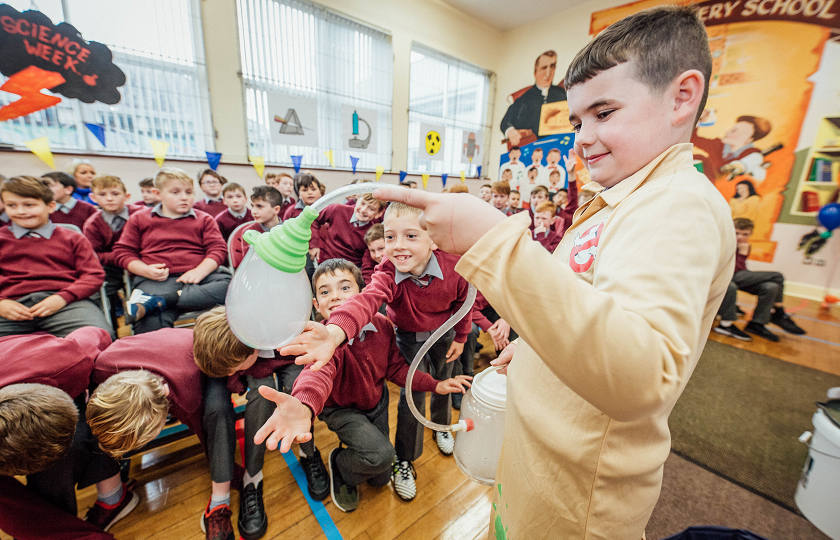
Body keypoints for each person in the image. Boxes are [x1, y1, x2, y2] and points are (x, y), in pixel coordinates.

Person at [366, 6, 737, 538]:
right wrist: (538, 345)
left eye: (604, 113)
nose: (583, 138)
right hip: (539, 461)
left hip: (578, 492)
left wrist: (494, 241)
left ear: (682, 97)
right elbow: (591, 310)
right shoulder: (621, 197)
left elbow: (640, 374)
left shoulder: (676, 206)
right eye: (578, 120)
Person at [280, 203, 471, 502]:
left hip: (444, 334)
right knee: (411, 397)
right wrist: (334, 333)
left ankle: (441, 427)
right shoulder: (387, 272)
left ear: (433, 239)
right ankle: (405, 459)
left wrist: (460, 335)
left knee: (443, 380)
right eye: (390, 237)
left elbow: (464, 300)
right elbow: (365, 302)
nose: (397, 246)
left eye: (410, 236)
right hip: (408, 337)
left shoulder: (454, 265)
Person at [86, 327, 240, 540]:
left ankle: (219, 503)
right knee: (103, 421)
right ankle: (112, 496)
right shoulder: (100, 368)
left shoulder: (186, 395)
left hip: (198, 351)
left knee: (218, 411)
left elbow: (208, 438)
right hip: (151, 348)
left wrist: (231, 473)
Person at [192, 307, 327, 539]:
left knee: (299, 391)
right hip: (259, 363)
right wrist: (236, 379)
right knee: (261, 397)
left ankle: (309, 453)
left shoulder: (278, 321)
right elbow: (235, 367)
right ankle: (252, 478)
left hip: (290, 355)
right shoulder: (241, 345)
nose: (234, 371)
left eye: (236, 368)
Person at [0, 327, 137, 539]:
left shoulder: (70, 358)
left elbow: (98, 332)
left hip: (48, 370)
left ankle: (112, 498)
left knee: (67, 450)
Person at [114, 168, 230, 334]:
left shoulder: (204, 219)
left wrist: (200, 270)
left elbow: (217, 249)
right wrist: (145, 270)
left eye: (189, 192)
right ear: (158, 193)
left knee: (232, 287)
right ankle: (160, 303)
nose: (184, 197)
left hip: (199, 278)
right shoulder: (139, 218)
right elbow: (123, 252)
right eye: (175, 192)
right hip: (157, 280)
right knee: (150, 321)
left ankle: (160, 301)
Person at [0, 176, 111, 338]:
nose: (20, 211)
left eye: (29, 205)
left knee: (97, 336)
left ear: (51, 206)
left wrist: (63, 298)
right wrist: (1, 302)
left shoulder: (72, 238)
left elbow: (93, 275)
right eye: (11, 205)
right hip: (11, 304)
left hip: (65, 303)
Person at [714, 218, 805, 342]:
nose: (740, 237)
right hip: (728, 275)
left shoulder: (745, 246)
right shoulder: (725, 243)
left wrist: (743, 252)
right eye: (736, 233)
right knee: (778, 276)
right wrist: (742, 253)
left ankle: (757, 324)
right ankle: (779, 312)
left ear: (750, 234)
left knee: (770, 286)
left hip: (740, 276)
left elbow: (742, 268)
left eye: (745, 234)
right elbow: (734, 270)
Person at [84, 175, 143, 332]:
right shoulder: (93, 224)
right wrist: (123, 257)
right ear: (93, 197)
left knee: (140, 292)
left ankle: (140, 329)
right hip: (110, 267)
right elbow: (94, 254)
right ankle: (111, 331)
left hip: (141, 263)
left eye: (115, 194)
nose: (109, 199)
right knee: (102, 293)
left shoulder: (141, 214)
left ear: (127, 196)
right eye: (102, 195)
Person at [500, 50, 568, 147]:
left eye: (552, 67)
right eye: (544, 68)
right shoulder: (524, 98)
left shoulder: (562, 94)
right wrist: (510, 131)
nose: (548, 73)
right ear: (535, 72)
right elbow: (505, 122)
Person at [311, 192, 385, 269]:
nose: (363, 210)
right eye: (362, 203)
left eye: (371, 209)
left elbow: (367, 262)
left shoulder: (372, 233)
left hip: (352, 269)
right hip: (327, 263)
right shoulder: (337, 209)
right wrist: (314, 245)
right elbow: (313, 218)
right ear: (357, 200)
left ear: (379, 213)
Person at [692, 113, 771, 182]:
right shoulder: (717, 145)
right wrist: (699, 119)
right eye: (732, 129)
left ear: (749, 139)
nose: (728, 132)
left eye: (735, 131)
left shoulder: (753, 154)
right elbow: (693, 139)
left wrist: (740, 166)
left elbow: (753, 160)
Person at [284, 172, 326, 281]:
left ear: (320, 192)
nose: (310, 193)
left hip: (324, 249)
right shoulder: (292, 211)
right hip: (300, 251)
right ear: (298, 194)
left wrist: (317, 245)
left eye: (313, 189)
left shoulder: (326, 210)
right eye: (305, 190)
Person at [230, 186, 284, 270]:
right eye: (252, 206)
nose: (253, 211)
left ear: (276, 209)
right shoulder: (249, 232)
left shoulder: (287, 232)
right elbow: (248, 264)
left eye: (259, 206)